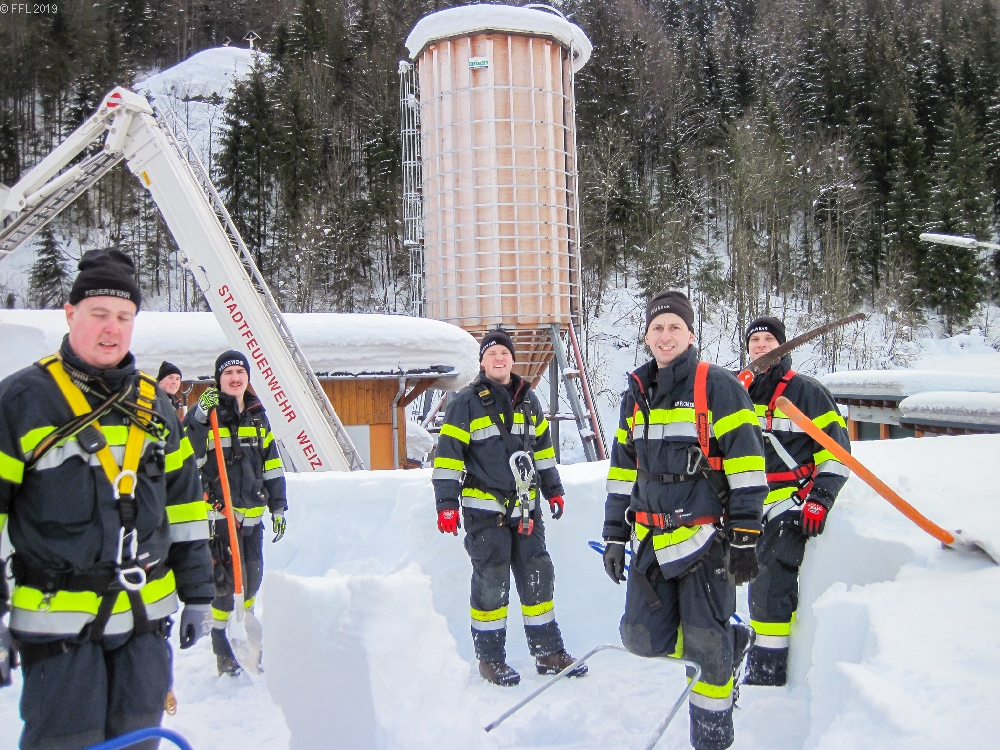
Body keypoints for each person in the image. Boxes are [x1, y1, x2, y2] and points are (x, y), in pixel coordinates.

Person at [0, 248, 214, 750]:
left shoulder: (156, 405)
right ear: (70, 314)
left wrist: (200, 595)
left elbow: (185, 507)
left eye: (124, 316)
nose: (111, 329)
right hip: (57, 627)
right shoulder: (21, 402)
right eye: (99, 314)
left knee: (138, 740)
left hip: (144, 622)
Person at [602, 291, 767, 750]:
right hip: (652, 540)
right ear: (646, 336)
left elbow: (748, 467)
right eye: (657, 327)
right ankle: (732, 642)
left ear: (690, 334)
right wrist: (614, 534)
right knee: (639, 636)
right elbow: (622, 471)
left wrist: (745, 537)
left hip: (705, 541)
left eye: (675, 326)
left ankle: (711, 738)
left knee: (706, 650)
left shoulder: (717, 385)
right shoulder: (635, 394)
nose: (666, 335)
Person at [432, 329, 585, 686]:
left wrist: (554, 490)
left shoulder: (529, 401)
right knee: (492, 580)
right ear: (482, 362)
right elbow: (448, 457)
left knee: (538, 575)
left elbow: (543, 451)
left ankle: (548, 653)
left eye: (504, 353)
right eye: (492, 354)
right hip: (484, 508)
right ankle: (490, 659)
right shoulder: (465, 403)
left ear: (513, 359)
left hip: (527, 507)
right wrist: (446, 504)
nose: (499, 359)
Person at [741, 317, 851, 686]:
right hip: (746, 503)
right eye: (755, 340)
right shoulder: (739, 392)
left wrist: (821, 498)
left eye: (768, 339)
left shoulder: (808, 392)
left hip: (790, 503)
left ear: (782, 346)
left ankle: (767, 671)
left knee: (769, 582)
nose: (761, 345)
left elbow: (836, 453)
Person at [184, 350, 287, 676]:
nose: (235, 378)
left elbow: (271, 463)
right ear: (218, 379)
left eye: (240, 372)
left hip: (252, 515)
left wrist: (278, 506)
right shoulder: (206, 415)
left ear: (247, 378)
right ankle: (223, 650)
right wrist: (199, 417)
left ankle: (247, 641)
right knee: (224, 586)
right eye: (228, 373)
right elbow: (188, 454)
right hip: (220, 517)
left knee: (252, 579)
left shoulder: (257, 415)